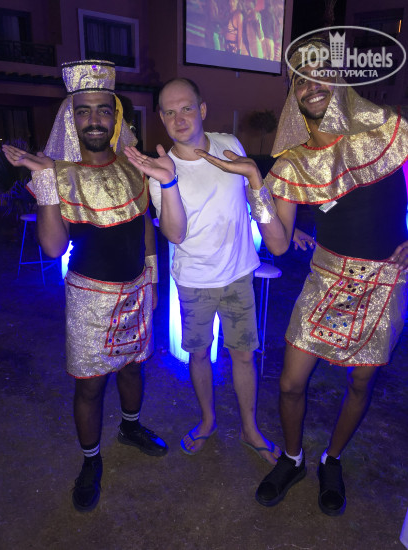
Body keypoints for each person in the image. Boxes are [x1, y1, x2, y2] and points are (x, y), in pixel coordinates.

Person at [195, 37, 408, 516]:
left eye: (322, 72)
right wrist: (256, 182)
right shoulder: (293, 162)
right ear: (294, 93)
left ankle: (333, 460)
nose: (312, 84)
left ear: (341, 79)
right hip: (326, 279)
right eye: (301, 79)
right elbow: (277, 242)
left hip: (386, 282)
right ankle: (292, 460)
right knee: (291, 384)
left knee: (361, 384)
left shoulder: (387, 131)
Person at [2, 60, 170, 513]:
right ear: (70, 118)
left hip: (137, 289)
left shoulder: (135, 164)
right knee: (90, 387)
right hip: (89, 300)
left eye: (103, 109)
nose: (94, 119)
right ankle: (91, 460)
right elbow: (53, 247)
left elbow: (145, 225)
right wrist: (45, 181)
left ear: (116, 116)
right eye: (83, 110)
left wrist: (153, 279)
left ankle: (130, 427)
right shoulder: (57, 172)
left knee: (133, 368)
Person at [124, 77, 280, 465]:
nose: (179, 119)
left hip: (239, 273)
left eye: (187, 108)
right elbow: (175, 234)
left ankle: (250, 429)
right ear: (161, 118)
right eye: (169, 112)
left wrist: (277, 226)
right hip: (194, 280)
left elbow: (251, 196)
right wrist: (169, 182)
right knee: (198, 356)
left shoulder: (229, 144)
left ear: (203, 109)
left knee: (243, 356)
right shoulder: (161, 169)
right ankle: (208, 420)